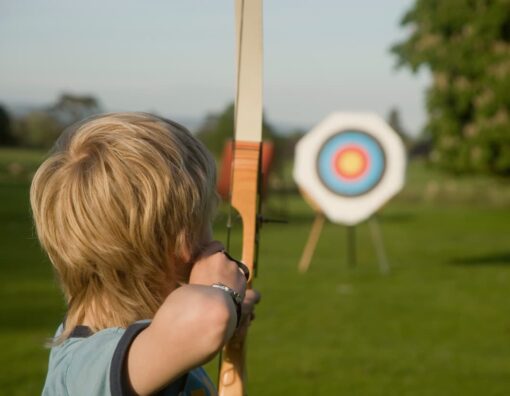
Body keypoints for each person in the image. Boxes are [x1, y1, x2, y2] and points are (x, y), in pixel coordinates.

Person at [31, 112, 260, 395]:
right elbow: (210, 317)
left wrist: (233, 308)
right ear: (181, 241)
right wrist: (223, 292)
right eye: (205, 222)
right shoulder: (88, 366)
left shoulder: (147, 337)